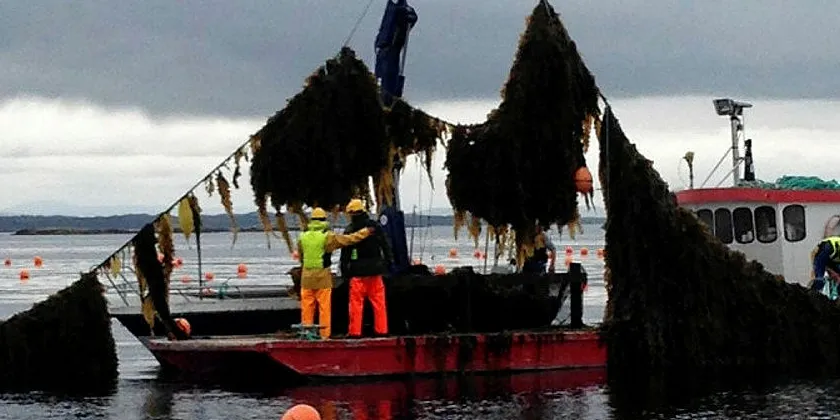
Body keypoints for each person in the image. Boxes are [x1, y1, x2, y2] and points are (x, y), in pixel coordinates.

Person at [297, 207, 374, 339]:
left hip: (306, 278)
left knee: (307, 308)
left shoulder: (302, 237)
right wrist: (366, 232)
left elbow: (301, 257)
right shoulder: (328, 237)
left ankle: (306, 334)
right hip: (323, 278)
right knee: (324, 308)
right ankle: (324, 335)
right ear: (324, 220)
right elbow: (349, 239)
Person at [340, 198, 394, 338]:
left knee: (356, 305)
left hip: (357, 272)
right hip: (375, 271)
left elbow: (345, 253)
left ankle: (355, 332)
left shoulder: (350, 230)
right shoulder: (375, 227)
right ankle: (382, 331)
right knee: (379, 303)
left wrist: (345, 271)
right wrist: (389, 263)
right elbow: (385, 245)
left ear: (351, 214)